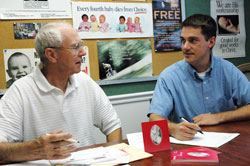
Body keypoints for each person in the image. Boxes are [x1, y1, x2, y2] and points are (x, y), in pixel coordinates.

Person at [0, 22, 122, 164]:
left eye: (81, 45)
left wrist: (115, 157)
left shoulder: (84, 82)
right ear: (51, 55)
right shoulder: (20, 91)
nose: (83, 52)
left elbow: (113, 126)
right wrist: (35, 148)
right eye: (76, 47)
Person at [148, 14, 250, 141]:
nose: (185, 47)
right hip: (187, 146)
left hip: (226, 142)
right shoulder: (169, 76)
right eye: (183, 40)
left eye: (193, 40)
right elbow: (154, 118)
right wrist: (173, 129)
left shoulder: (228, 70)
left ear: (211, 42)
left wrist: (218, 117)